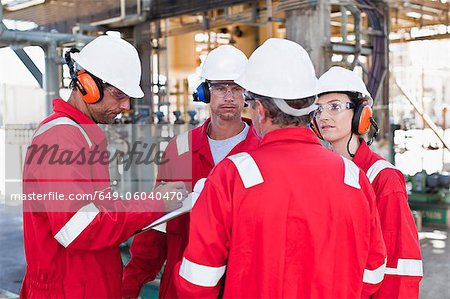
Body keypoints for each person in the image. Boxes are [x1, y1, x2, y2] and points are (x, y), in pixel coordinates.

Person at [172, 38, 387, 298]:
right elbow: (372, 274)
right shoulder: (353, 177)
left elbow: (198, 284)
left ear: (260, 111)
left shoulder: (231, 176)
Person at [20, 35, 186, 298]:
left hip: (88, 285)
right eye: (118, 95)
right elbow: (78, 229)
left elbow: (98, 214)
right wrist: (154, 203)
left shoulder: (83, 134)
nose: (126, 106)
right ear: (87, 85)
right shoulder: (61, 138)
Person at [121, 45, 260, 298]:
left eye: (236, 88)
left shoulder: (262, 151)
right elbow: (158, 223)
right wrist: (131, 283)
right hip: (183, 288)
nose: (229, 96)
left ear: (247, 94)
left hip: (242, 287)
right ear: (205, 92)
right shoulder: (180, 149)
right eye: (220, 88)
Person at [312, 66, 423, 298]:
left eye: (335, 106)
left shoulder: (383, 177)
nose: (323, 116)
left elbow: (400, 265)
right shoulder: (318, 173)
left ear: (362, 113)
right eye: (318, 108)